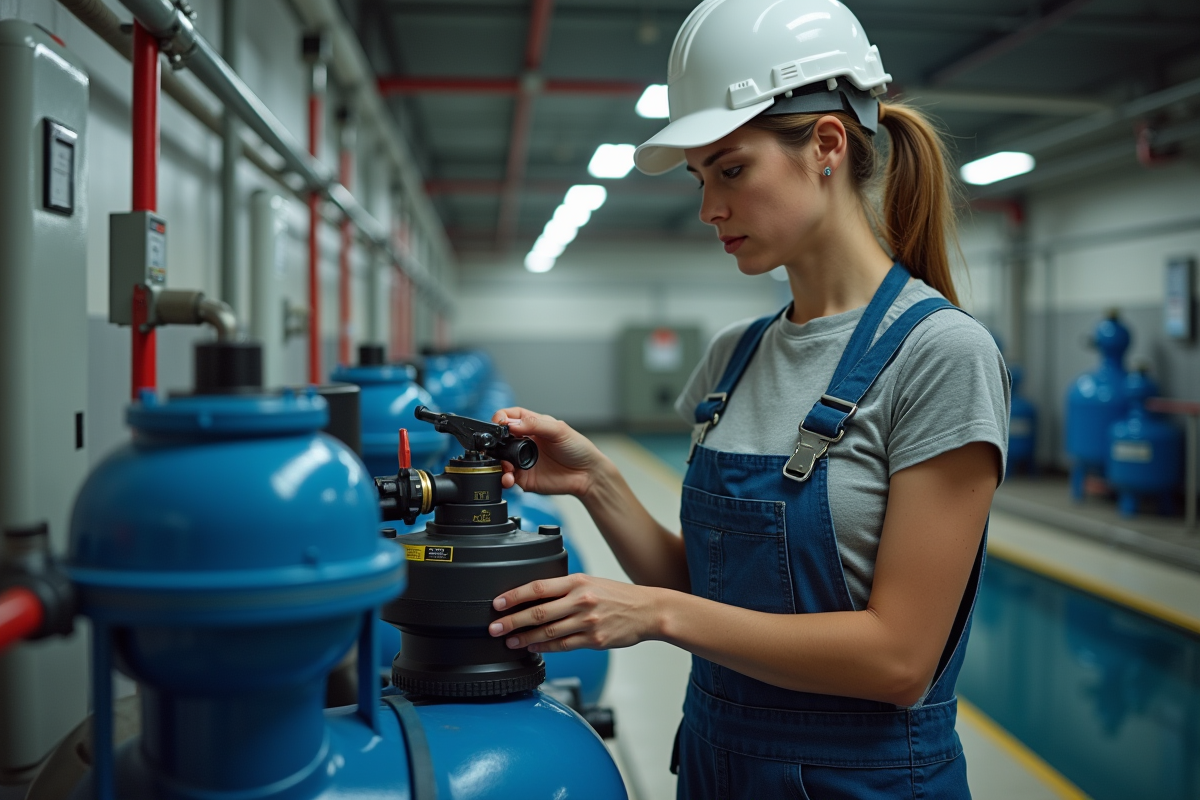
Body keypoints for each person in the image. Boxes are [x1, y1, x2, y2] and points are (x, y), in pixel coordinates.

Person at [487, 0, 1009, 796]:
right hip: (714, 766)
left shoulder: (940, 356)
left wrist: (655, 616)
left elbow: (900, 659)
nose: (708, 209)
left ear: (827, 144)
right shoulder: (735, 356)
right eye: (701, 179)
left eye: (730, 170)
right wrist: (596, 481)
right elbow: (710, 590)